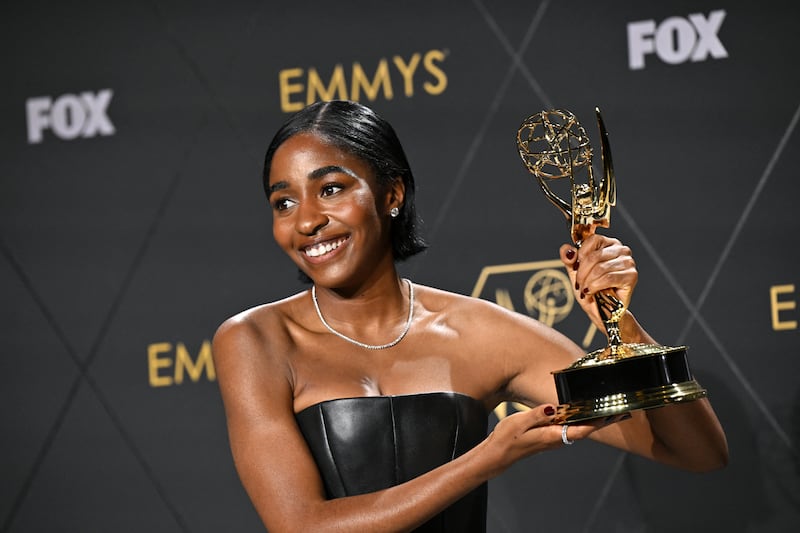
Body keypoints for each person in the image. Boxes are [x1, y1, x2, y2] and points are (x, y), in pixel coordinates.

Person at [212, 100, 728, 532]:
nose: (306, 221)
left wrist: (623, 327)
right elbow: (301, 526)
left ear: (392, 194)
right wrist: (487, 457)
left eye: (331, 189)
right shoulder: (255, 340)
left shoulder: (482, 334)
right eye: (283, 203)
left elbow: (698, 452)